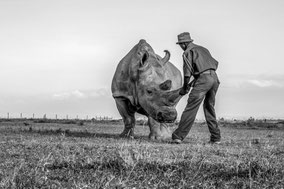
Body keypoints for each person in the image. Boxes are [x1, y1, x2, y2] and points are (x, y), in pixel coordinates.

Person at [172, 32, 221, 144]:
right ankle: (216, 138)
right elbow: (210, 67)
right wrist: (193, 83)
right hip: (214, 78)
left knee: (191, 107)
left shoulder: (188, 52)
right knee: (209, 107)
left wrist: (185, 88)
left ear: (184, 44)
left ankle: (178, 136)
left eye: (180, 44)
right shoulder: (204, 49)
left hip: (204, 80)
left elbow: (187, 74)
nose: (180, 47)